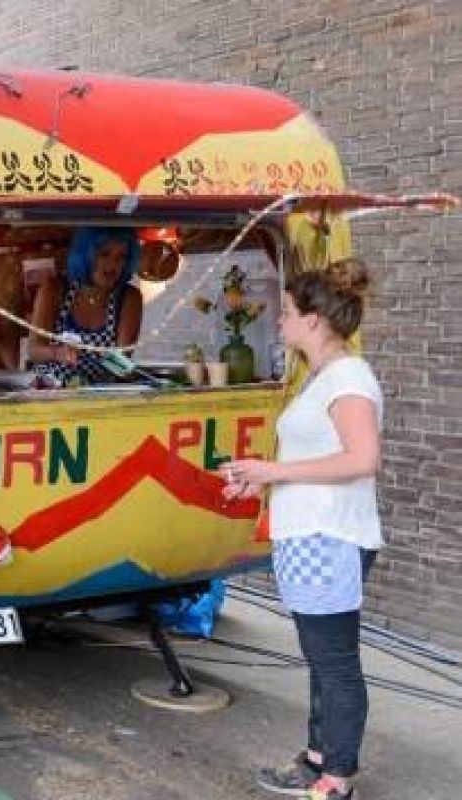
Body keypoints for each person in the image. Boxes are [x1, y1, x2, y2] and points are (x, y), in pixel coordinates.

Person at [220, 259, 381, 800]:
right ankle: (317, 759)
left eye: (288, 313)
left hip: (330, 538)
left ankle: (337, 777)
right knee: (321, 657)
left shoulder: (348, 378)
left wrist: (274, 472)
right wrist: (260, 481)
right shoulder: (323, 377)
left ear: (314, 320)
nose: (280, 322)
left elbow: (363, 458)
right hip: (312, 535)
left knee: (334, 663)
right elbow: (317, 457)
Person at [27, 227, 142, 386]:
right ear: (85, 255)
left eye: (121, 257)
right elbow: (33, 350)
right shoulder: (55, 289)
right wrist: (58, 353)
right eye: (104, 254)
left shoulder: (129, 297)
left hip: (98, 395)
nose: (112, 264)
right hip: (48, 389)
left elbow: (121, 362)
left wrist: (116, 371)